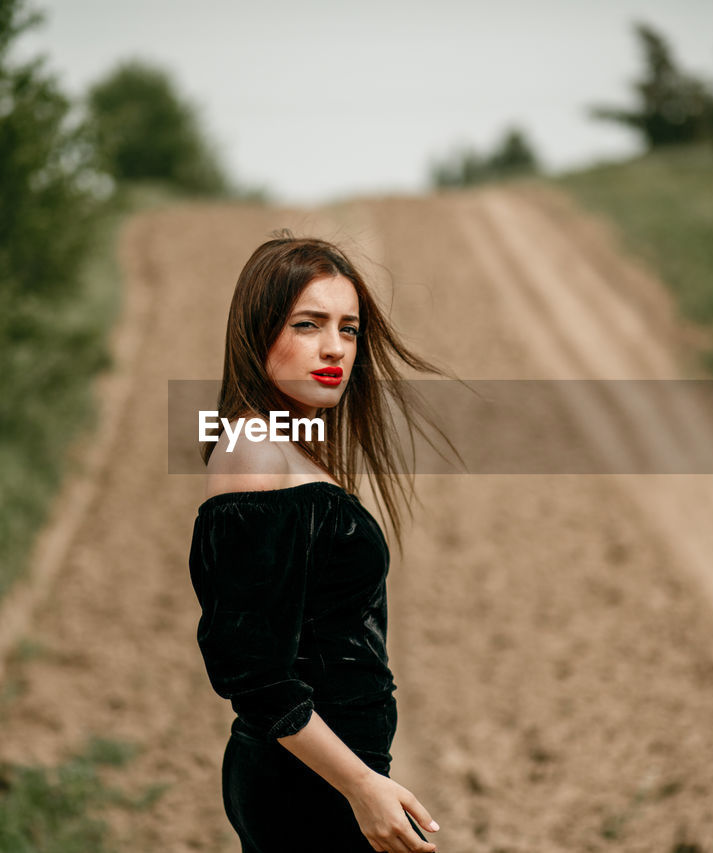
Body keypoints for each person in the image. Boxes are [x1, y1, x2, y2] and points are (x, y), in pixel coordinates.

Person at [188, 233, 451, 852]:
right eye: (308, 325)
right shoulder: (253, 448)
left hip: (323, 782)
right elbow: (251, 670)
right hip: (306, 790)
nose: (335, 348)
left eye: (350, 329)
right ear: (257, 334)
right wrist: (361, 786)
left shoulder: (286, 447)